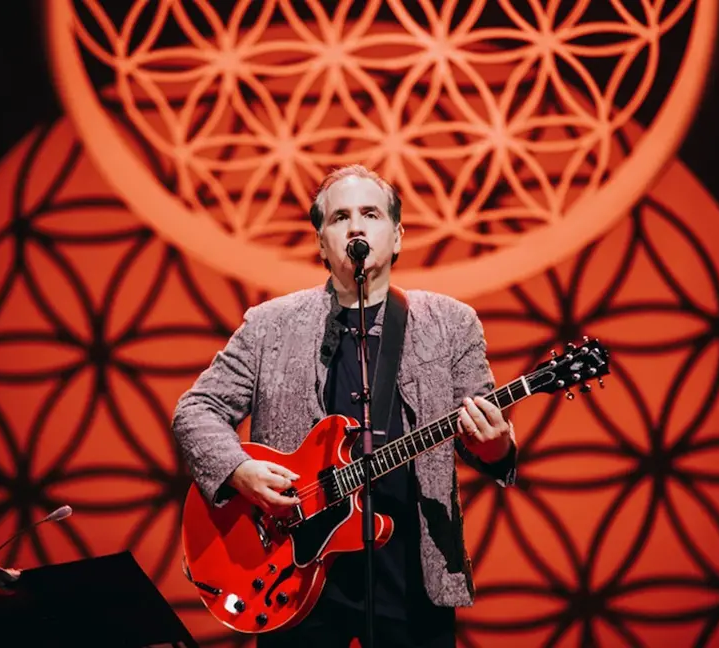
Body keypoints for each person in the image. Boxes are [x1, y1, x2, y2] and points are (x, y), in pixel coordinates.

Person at [172, 165, 518, 648]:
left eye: (370, 214)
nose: (356, 227)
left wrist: (498, 445)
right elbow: (196, 410)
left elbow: (486, 439)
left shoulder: (452, 323)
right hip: (294, 571)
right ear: (321, 243)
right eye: (340, 218)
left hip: (411, 571)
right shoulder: (270, 326)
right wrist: (238, 470)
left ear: (396, 237)